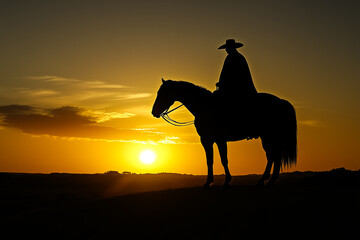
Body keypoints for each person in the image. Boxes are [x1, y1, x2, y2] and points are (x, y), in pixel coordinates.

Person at [214, 39, 259, 139]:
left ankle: (228, 127)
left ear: (232, 48)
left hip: (239, 88)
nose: (226, 50)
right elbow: (226, 75)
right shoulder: (235, 57)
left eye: (227, 48)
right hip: (233, 87)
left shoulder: (234, 57)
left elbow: (235, 75)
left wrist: (223, 84)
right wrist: (222, 83)